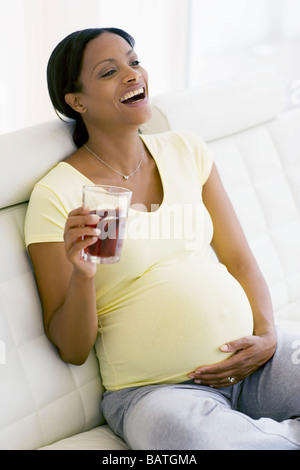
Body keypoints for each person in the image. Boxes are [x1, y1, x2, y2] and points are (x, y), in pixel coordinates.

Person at [24, 28, 300, 450]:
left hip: (255, 361)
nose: (133, 75)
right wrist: (82, 275)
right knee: (190, 440)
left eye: (134, 62)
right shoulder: (57, 194)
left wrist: (266, 337)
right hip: (158, 393)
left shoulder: (186, 150)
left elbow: (240, 259)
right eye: (109, 71)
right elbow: (72, 348)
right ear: (76, 101)